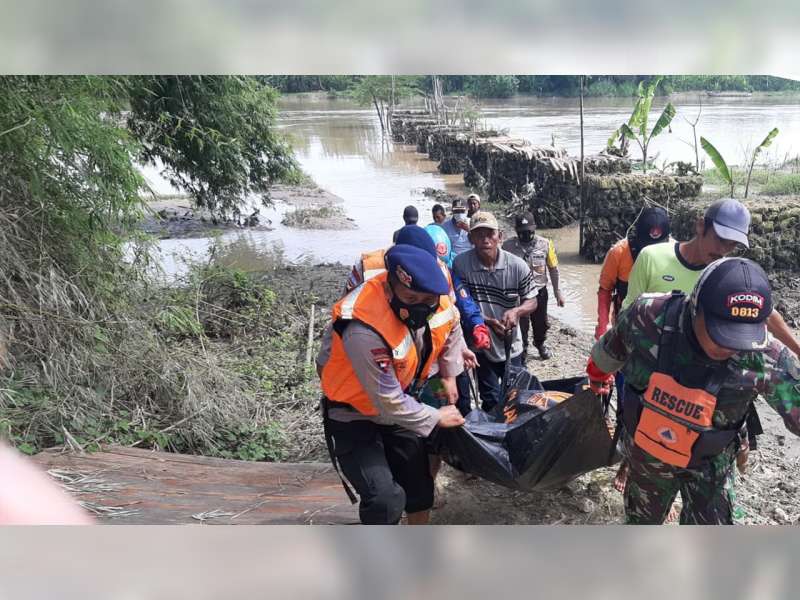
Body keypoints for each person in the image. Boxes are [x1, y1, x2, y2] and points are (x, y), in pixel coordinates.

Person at [586, 257, 800, 525]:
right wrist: (597, 381)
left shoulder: (765, 355)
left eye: (740, 337)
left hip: (711, 464)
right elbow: (604, 358)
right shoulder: (648, 315)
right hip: (649, 455)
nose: (729, 347)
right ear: (695, 305)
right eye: (720, 333)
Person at [317, 244, 466, 525]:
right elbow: (387, 399)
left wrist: (449, 373)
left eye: (427, 300)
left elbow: (453, 324)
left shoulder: (439, 300)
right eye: (410, 298)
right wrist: (435, 416)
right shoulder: (363, 327)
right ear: (389, 289)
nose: (420, 307)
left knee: (419, 489)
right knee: (385, 499)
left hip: (400, 405)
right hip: (354, 413)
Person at [452, 211, 537, 412]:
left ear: (500, 236)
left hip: (511, 343)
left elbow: (532, 300)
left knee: (516, 396)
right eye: (479, 234)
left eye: (490, 234)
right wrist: (488, 322)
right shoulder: (461, 265)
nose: (485, 239)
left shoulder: (518, 266)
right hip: (481, 343)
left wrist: (517, 311)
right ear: (470, 238)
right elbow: (462, 304)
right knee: (489, 397)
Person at [425, 224, 491, 416]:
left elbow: (464, 302)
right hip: (426, 362)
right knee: (437, 402)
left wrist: (478, 326)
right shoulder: (409, 286)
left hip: (451, 346)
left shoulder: (449, 274)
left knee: (461, 401)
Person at [595, 206, 671, 341]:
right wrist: (602, 327)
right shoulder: (618, 252)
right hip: (625, 324)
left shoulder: (674, 252)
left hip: (662, 329)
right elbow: (605, 290)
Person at [502, 212, 565, 361]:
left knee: (541, 322)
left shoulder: (546, 244)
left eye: (529, 231)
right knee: (521, 323)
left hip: (539, 291)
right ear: (517, 231)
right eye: (522, 232)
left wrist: (558, 292)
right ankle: (522, 348)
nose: (526, 234)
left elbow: (554, 269)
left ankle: (540, 343)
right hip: (519, 294)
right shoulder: (508, 246)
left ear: (535, 228)